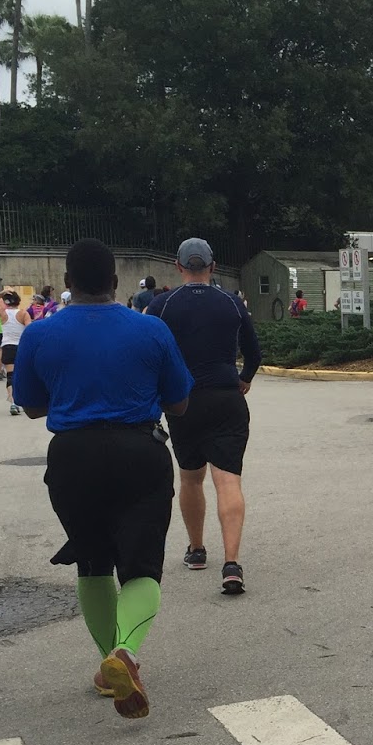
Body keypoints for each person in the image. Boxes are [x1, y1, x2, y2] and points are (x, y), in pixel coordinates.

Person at [12, 239, 193, 719]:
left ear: (68, 285)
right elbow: (179, 403)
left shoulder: (39, 335)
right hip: (140, 452)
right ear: (115, 282)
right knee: (142, 567)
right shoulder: (150, 329)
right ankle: (125, 655)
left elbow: (31, 406)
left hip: (72, 457)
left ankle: (106, 661)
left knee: (91, 562)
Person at [146, 238, 263, 596]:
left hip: (183, 403)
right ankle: (231, 563)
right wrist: (243, 381)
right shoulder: (231, 302)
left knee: (191, 479)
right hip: (227, 399)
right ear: (212, 267)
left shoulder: (161, 306)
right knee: (228, 482)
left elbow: (149, 355)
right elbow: (254, 353)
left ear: (178, 267)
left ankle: (197, 550)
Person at [0, 289, 32, 417]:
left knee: (10, 376)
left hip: (7, 346)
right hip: (21, 346)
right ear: (18, 301)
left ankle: (13, 402)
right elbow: (29, 329)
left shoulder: (3, 313)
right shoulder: (23, 314)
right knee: (22, 374)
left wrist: (3, 292)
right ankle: (23, 399)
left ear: (5, 302)